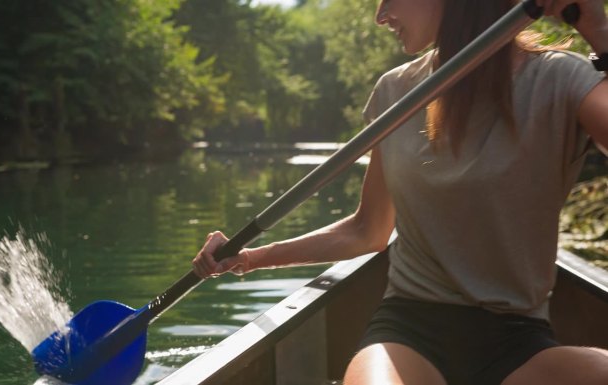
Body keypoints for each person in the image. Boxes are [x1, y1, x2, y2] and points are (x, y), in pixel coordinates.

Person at [193, 0, 608, 383]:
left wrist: (597, 28)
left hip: (519, 340)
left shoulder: (560, 77)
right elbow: (367, 230)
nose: (380, 15)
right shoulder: (396, 93)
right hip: (411, 332)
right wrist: (247, 258)